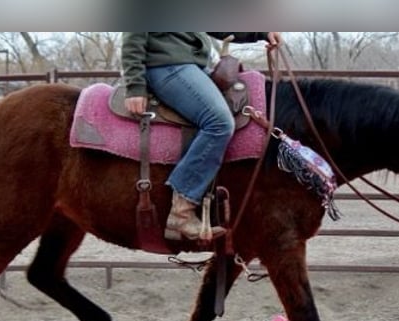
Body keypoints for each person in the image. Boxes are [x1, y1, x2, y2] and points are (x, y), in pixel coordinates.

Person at [120, 32, 282, 241]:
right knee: (219, 122)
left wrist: (261, 32)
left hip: (195, 66)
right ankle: (182, 209)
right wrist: (135, 86)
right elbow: (133, 35)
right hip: (166, 66)